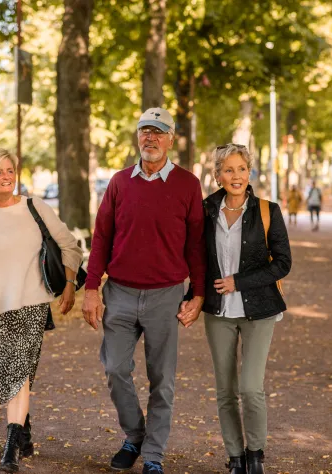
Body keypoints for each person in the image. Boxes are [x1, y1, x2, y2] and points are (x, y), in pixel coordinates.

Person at [82, 108, 206, 474]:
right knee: (115, 368)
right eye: (144, 131)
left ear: (171, 139)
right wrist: (92, 287)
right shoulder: (120, 182)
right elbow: (102, 236)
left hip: (166, 295)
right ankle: (135, 434)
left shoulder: (188, 184)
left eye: (158, 132)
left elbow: (196, 245)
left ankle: (153, 454)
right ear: (137, 137)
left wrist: (198, 294)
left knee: (162, 380)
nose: (150, 138)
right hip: (119, 292)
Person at [0, 149, 82, 473]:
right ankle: (24, 431)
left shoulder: (35, 207)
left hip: (32, 303)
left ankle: (10, 449)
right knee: (7, 374)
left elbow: (68, 245)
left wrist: (68, 284)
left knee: (19, 374)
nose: (6, 176)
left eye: (10, 170)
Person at [201, 144, 291, 474]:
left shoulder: (268, 210)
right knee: (225, 390)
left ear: (249, 172)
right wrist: (192, 297)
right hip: (218, 313)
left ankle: (255, 454)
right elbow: (198, 260)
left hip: (260, 310)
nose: (236, 176)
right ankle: (235, 457)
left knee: (251, 388)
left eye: (241, 169)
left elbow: (283, 264)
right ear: (217, 175)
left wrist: (238, 281)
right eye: (228, 169)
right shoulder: (206, 210)